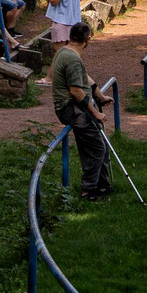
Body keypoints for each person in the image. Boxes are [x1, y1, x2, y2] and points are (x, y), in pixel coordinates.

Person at [49, 20, 112, 199]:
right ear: (88, 39)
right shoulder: (72, 59)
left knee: (101, 145)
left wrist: (100, 96)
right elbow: (76, 91)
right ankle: (88, 190)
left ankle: (102, 185)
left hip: (75, 106)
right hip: (71, 109)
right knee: (97, 148)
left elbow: (85, 78)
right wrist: (96, 112)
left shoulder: (64, 51)